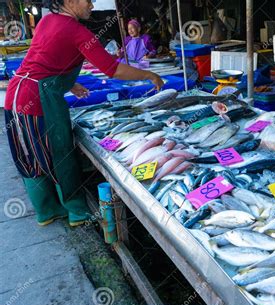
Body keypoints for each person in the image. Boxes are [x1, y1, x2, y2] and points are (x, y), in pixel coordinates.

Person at [4, 0, 164, 227]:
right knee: (60, 153)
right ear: (69, 1)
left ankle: (47, 210)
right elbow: (113, 69)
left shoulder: (47, 21)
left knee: (30, 153)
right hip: (39, 98)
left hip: (18, 93)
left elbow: (45, 59)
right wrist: (149, 76)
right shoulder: (77, 31)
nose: (92, 5)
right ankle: (77, 212)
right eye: (87, 0)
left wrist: (70, 84)